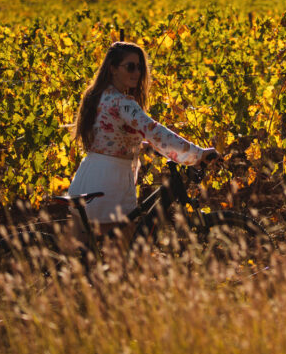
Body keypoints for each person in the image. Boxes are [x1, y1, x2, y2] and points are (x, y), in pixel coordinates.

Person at [67, 41, 217, 232]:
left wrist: (141, 145)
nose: (137, 72)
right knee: (123, 253)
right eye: (130, 67)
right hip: (110, 183)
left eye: (139, 67)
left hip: (90, 174)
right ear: (112, 68)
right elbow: (155, 131)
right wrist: (197, 154)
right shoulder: (123, 103)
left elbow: (111, 135)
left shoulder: (98, 95)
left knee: (84, 253)